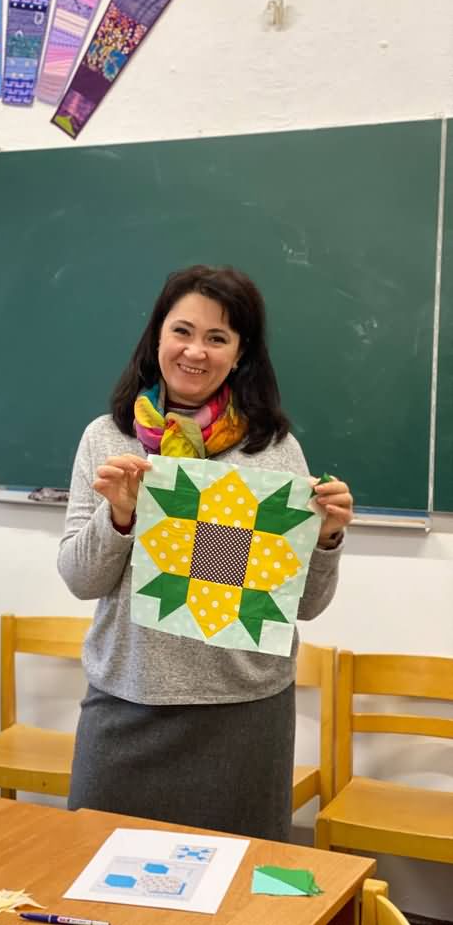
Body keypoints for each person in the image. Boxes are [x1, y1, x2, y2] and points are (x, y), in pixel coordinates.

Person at [57, 265, 353, 841]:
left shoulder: (274, 451)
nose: (195, 351)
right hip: (127, 703)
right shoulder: (107, 438)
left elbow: (304, 605)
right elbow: (81, 579)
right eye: (182, 331)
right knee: (96, 868)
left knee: (236, 881)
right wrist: (118, 516)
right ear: (157, 337)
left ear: (240, 355)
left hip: (243, 716)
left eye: (218, 338)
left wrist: (326, 540)